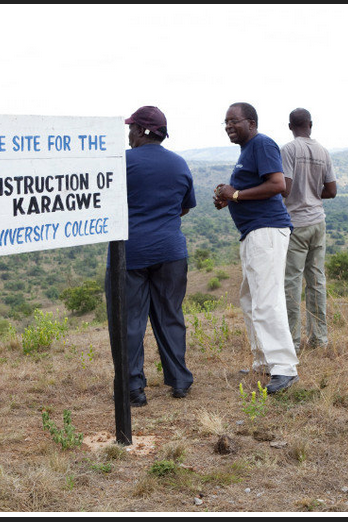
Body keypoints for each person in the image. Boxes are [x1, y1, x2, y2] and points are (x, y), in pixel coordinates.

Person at [106, 106, 195, 407]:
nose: (128, 134)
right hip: (171, 251)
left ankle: (133, 388)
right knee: (170, 315)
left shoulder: (122, 162)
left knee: (128, 321)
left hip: (129, 253)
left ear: (142, 131)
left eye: (131, 128)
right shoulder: (179, 163)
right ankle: (180, 381)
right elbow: (184, 206)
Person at [213, 102, 299, 394]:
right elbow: (249, 191)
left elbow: (278, 185)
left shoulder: (262, 144)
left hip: (267, 230)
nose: (228, 126)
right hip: (253, 232)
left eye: (234, 121)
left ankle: (284, 368)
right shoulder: (247, 150)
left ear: (251, 123)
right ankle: (264, 361)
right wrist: (229, 197)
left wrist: (236, 194)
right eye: (226, 122)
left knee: (266, 300)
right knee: (250, 298)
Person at [281, 108, 337, 352]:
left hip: (296, 222)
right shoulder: (323, 151)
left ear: (290, 126)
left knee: (292, 281)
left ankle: (292, 340)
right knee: (316, 280)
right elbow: (332, 190)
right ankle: (319, 338)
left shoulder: (289, 149)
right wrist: (313, 194)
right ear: (310, 124)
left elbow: (285, 188)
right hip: (318, 221)